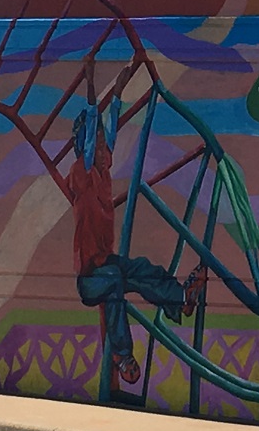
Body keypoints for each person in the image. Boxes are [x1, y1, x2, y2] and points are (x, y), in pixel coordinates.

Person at [61, 92, 205, 389]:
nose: (104, 149)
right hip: (90, 279)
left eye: (104, 145)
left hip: (106, 264)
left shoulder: (103, 172)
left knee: (138, 268)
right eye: (98, 145)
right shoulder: (81, 173)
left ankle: (179, 300)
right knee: (114, 278)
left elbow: (110, 134)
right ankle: (122, 355)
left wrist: (117, 96)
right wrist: (90, 85)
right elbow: (90, 145)